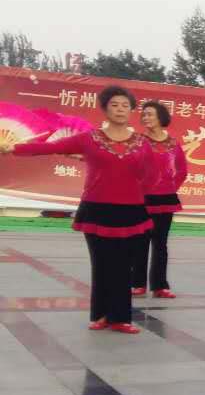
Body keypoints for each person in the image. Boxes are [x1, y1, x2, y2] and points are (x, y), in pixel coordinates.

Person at [2, 86, 152, 333]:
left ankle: (120, 318)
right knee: (101, 264)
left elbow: (149, 174)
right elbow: (50, 147)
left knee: (124, 266)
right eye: (114, 105)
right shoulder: (88, 139)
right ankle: (100, 315)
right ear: (105, 109)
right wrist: (13, 148)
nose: (120, 109)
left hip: (130, 210)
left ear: (131, 110)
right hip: (97, 208)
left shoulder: (142, 143)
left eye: (125, 105)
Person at [130, 100, 187, 299]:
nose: (145, 117)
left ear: (161, 117)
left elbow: (182, 171)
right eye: (144, 114)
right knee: (140, 243)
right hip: (141, 199)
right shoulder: (137, 141)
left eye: (150, 114)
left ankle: (160, 286)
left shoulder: (173, 144)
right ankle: (138, 284)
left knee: (161, 244)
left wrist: (170, 187)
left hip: (166, 200)